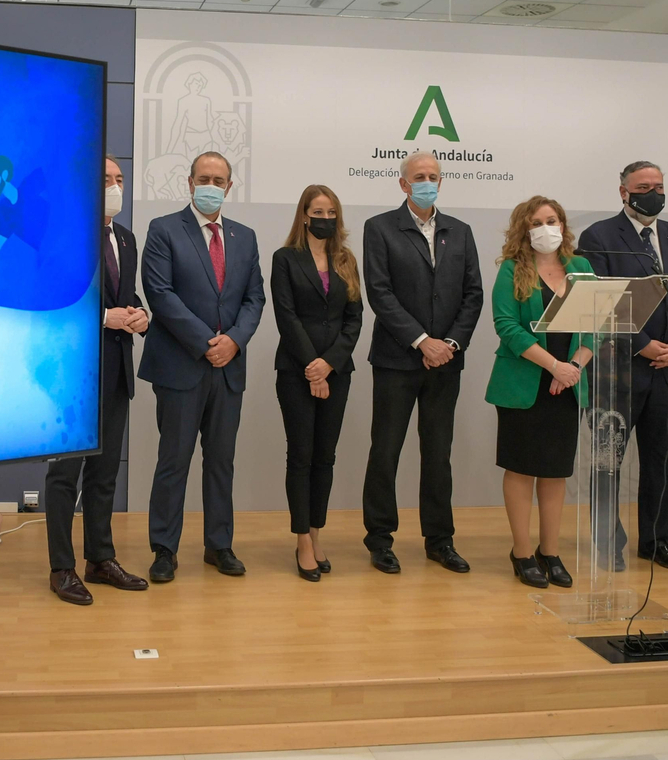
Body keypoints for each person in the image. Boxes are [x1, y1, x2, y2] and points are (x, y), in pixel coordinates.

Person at [577, 160, 668, 570]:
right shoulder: (598, 237)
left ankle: (656, 540)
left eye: (659, 185)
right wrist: (644, 345)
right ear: (624, 192)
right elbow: (597, 301)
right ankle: (607, 545)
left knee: (663, 461)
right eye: (643, 186)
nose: (653, 192)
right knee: (607, 462)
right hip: (615, 372)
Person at [140, 150, 264, 581]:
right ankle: (164, 549)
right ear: (190, 183)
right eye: (203, 178)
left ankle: (219, 545)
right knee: (173, 460)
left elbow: (254, 299)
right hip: (180, 366)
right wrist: (205, 342)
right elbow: (160, 293)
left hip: (228, 368)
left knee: (221, 461)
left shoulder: (245, 237)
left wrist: (232, 341)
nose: (211, 186)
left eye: (219, 180)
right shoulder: (163, 230)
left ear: (229, 186)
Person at [361, 150, 484, 575]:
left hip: (446, 362)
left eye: (433, 175)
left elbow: (473, 295)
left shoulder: (461, 232)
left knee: (438, 453)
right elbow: (380, 293)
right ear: (403, 183)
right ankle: (379, 539)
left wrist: (448, 343)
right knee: (386, 451)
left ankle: (440, 540)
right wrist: (421, 341)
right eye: (418, 176)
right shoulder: (379, 228)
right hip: (398, 360)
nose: (426, 181)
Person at [44, 157, 151, 604]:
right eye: (106, 180)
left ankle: (100, 558)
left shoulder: (125, 238)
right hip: (73, 373)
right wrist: (106, 317)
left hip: (117, 370)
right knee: (65, 474)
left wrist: (141, 314)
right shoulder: (63, 233)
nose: (114, 187)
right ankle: (62, 567)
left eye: (119, 180)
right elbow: (52, 300)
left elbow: (128, 294)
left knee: (105, 472)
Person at [486, 196, 593, 589]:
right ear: (524, 229)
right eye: (537, 222)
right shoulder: (512, 270)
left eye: (553, 220)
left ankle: (551, 552)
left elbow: (593, 327)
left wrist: (574, 368)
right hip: (524, 385)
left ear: (563, 225)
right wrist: (554, 366)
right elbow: (507, 327)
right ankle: (522, 552)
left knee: (555, 472)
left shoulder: (581, 268)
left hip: (568, 385)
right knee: (521, 469)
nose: (547, 227)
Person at [270, 185, 364, 582]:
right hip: (296, 371)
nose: (325, 217)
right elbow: (286, 316)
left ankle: (317, 534)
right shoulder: (285, 259)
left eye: (331, 211)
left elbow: (354, 318)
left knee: (326, 456)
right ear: (305, 215)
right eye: (318, 210)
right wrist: (312, 365)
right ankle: (301, 540)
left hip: (337, 372)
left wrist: (330, 364)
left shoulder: (346, 259)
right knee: (302, 455)